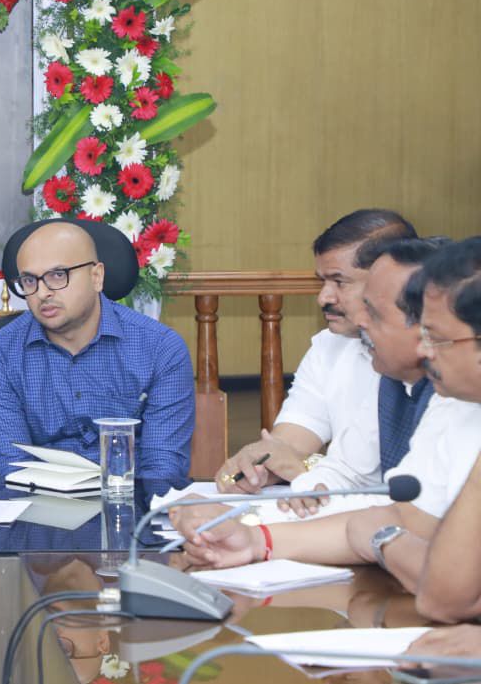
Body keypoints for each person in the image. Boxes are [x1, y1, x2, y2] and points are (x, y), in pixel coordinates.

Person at [174, 240, 481, 593]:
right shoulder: (431, 393)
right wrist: (255, 540)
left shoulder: (447, 396)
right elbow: (392, 508)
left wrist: (375, 533)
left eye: (434, 335)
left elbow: (441, 585)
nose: (360, 320)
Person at [215, 210, 416, 508]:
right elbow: (289, 444)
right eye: (322, 281)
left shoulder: (434, 364)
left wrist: (301, 470)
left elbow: (407, 490)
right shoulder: (329, 346)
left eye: (339, 281)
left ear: (388, 281)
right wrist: (259, 465)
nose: (323, 297)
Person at [0, 220, 195, 486]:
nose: (42, 293)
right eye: (30, 281)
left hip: (131, 501)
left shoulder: (160, 349)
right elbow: (13, 470)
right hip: (39, 504)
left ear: (96, 277)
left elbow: (162, 468)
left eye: (58, 275)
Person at [403, 237, 481, 624]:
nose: (423, 351)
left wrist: (382, 540)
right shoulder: (462, 409)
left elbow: (443, 600)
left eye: (436, 338)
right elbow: (443, 596)